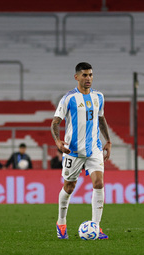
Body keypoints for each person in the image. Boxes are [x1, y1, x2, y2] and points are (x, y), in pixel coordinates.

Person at [51, 62, 112, 240]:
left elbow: (101, 118)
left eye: (91, 75)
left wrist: (108, 140)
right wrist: (58, 142)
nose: (88, 78)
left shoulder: (99, 97)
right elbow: (55, 123)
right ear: (76, 77)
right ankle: (61, 223)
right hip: (73, 150)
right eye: (84, 75)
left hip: (94, 149)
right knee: (69, 187)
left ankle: (96, 226)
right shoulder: (69, 98)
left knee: (99, 183)